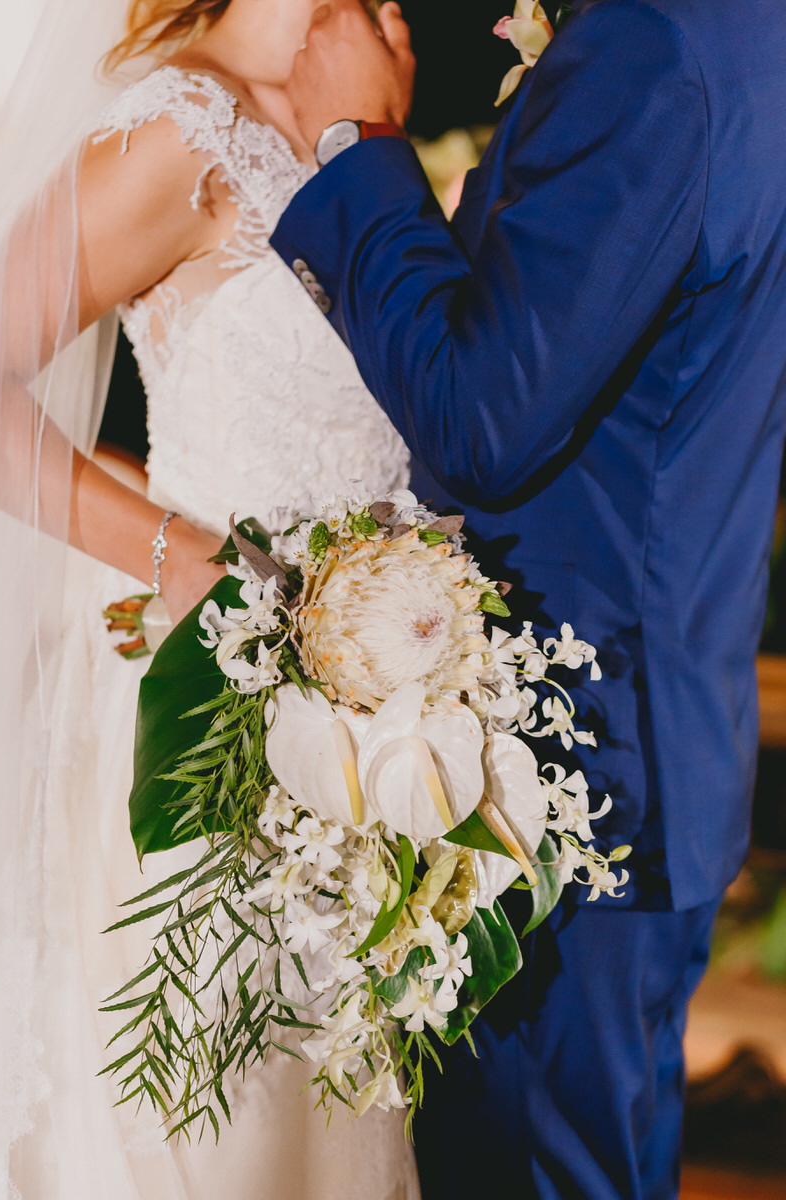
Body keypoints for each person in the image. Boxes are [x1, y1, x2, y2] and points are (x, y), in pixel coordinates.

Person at [270, 0, 786, 1195]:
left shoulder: (649, 47)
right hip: (646, 725)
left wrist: (355, 142)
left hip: (569, 773)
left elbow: (483, 420)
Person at [0, 1, 419, 1197]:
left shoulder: (367, 86)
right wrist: (179, 556)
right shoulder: (178, 127)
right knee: (219, 1134)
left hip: (361, 745)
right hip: (202, 720)